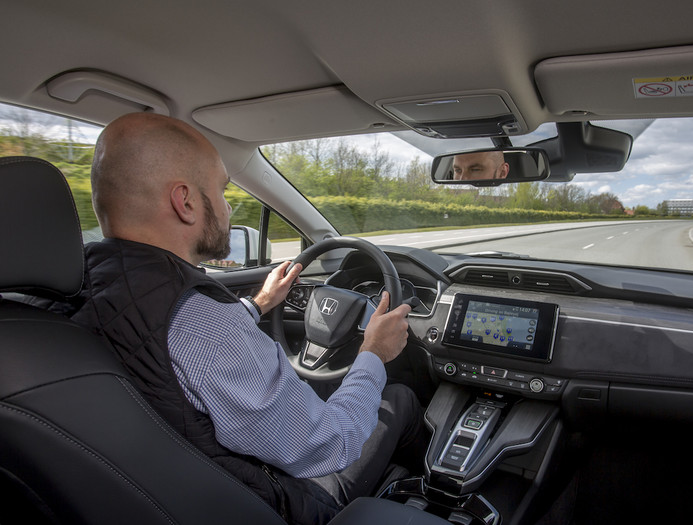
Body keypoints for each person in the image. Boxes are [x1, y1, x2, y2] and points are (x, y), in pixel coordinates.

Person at [70, 112, 426, 525]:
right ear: (184, 201)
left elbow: (168, 353)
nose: (229, 205)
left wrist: (257, 305)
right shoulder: (206, 325)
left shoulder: (82, 287)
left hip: (176, 494)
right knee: (397, 398)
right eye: (222, 191)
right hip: (279, 502)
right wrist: (373, 353)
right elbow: (334, 442)